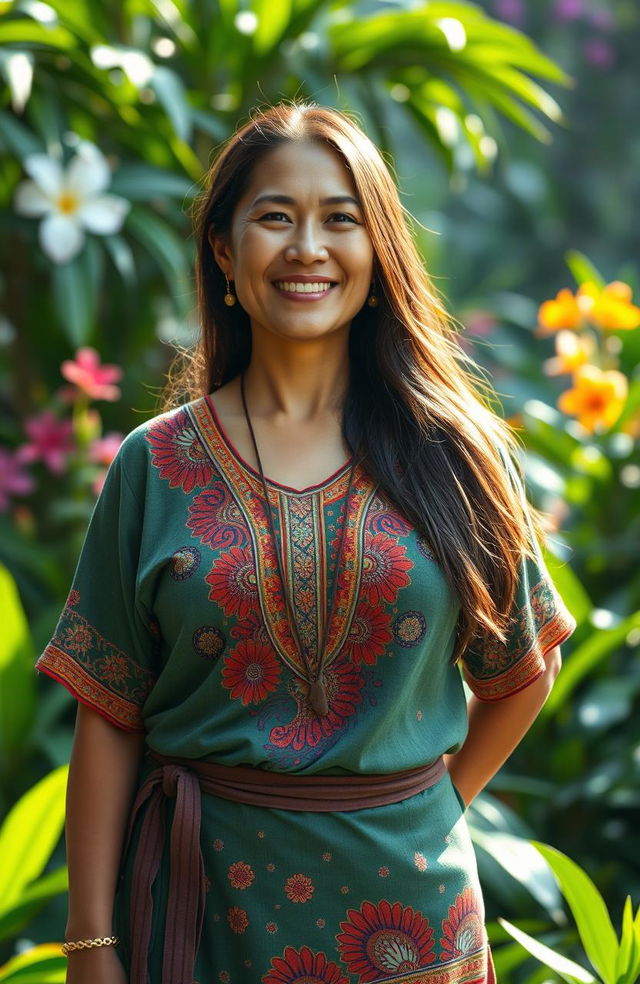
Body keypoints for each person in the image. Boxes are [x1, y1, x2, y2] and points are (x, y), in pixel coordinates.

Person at [37, 100, 577, 984]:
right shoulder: (156, 463)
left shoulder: (455, 452)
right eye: (275, 217)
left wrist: (428, 806)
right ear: (223, 249)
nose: (307, 248)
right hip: (202, 915)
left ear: (379, 251)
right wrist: (92, 944)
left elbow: (522, 672)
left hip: (412, 930)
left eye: (341, 218)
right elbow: (108, 712)